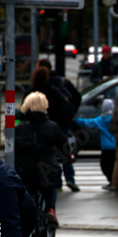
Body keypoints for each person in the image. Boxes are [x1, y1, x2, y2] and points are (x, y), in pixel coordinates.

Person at [16, 92, 68, 226]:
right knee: (51, 185)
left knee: (23, 197)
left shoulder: (19, 129)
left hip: (25, 172)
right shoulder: (52, 127)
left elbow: (12, 151)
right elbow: (64, 149)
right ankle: (51, 208)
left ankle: (23, 216)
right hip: (47, 172)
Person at [37, 58, 82, 192]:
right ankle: (70, 178)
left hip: (46, 122)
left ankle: (56, 182)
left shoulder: (42, 83)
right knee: (63, 150)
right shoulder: (63, 81)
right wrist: (71, 114)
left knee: (49, 152)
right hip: (63, 122)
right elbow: (77, 96)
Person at [74, 99, 116, 190]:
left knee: (105, 166)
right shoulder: (117, 119)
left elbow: (87, 122)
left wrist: (75, 119)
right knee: (115, 165)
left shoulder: (101, 120)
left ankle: (112, 181)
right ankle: (116, 181)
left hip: (106, 148)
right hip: (116, 147)